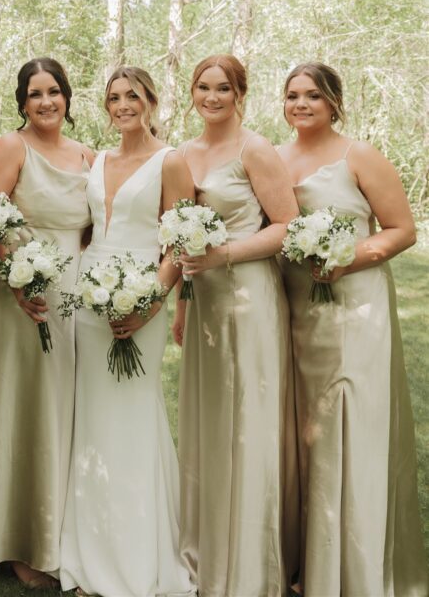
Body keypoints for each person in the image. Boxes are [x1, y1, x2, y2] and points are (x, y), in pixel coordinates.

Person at [278, 61, 428, 597]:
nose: (301, 105)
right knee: (304, 436)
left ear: (334, 102)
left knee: (350, 428)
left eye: (313, 96)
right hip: (295, 309)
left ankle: (352, 572)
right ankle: (305, 562)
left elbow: (402, 230)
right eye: (293, 95)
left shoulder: (358, 155)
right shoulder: (274, 159)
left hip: (355, 308)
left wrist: (349, 256)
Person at [0, 57, 92, 589]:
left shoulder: (86, 155)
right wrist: (14, 281)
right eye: (35, 94)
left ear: (67, 96)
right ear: (21, 102)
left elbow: (89, 230)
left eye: (54, 91)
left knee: (58, 414)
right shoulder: (12, 148)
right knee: (15, 411)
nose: (46, 102)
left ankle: (51, 534)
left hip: (71, 294)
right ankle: (8, 542)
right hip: (17, 298)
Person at [60, 66, 195, 597]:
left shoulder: (172, 161)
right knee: (91, 416)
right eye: (114, 98)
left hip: (145, 295)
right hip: (89, 297)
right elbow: (91, 228)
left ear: (151, 101)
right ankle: (89, 548)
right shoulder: (97, 160)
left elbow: (178, 243)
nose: (122, 105)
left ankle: (143, 553)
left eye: (132, 95)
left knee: (134, 411)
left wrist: (149, 303)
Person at [176, 53, 299, 597]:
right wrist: (182, 302)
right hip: (203, 301)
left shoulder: (256, 149)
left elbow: (287, 227)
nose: (212, 96)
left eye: (223, 88)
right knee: (209, 425)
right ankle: (205, 549)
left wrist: (224, 254)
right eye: (203, 87)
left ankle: (250, 563)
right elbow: (175, 237)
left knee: (249, 422)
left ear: (240, 94)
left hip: (250, 298)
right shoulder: (182, 154)